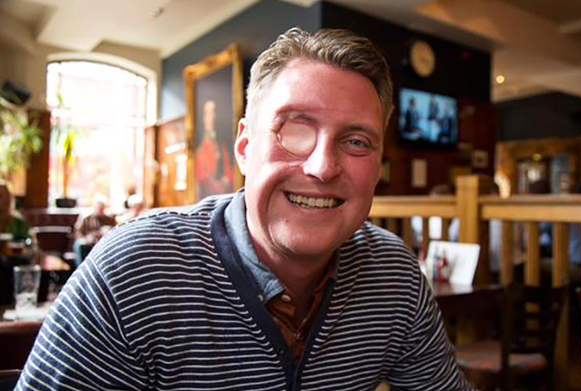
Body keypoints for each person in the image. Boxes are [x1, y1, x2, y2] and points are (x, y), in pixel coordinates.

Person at [17, 28, 473, 390]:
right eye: (296, 129)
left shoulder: (393, 276)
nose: (322, 167)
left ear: (377, 169)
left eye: (356, 142)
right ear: (243, 146)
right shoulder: (134, 270)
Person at [195, 99, 234, 198]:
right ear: (203, 118)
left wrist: (226, 182)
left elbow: (230, 174)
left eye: (214, 113)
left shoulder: (222, 147)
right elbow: (202, 179)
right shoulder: (200, 150)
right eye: (208, 113)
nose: (212, 117)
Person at [72, 195, 116, 267]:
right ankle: (81, 267)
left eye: (102, 208)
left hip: (103, 242)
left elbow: (114, 232)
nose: (100, 210)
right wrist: (87, 238)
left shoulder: (109, 220)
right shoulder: (86, 219)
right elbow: (78, 233)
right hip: (88, 242)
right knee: (80, 245)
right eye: (98, 208)